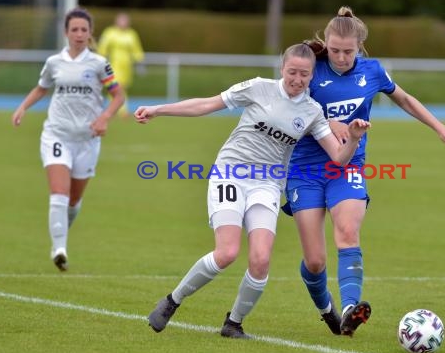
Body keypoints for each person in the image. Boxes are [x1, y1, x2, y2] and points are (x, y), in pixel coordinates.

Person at [134, 43, 370, 338]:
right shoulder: (259, 88)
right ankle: (172, 301)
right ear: (282, 69)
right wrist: (159, 110)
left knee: (260, 259)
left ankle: (233, 323)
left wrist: (353, 138)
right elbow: (207, 104)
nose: (297, 79)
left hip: (268, 183)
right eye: (292, 72)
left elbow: (338, 158)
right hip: (230, 173)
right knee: (227, 252)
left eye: (304, 75)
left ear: (312, 76)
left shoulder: (312, 111)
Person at [282, 6, 445, 337]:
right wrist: (328, 122)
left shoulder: (372, 71)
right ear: (326, 42)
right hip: (306, 170)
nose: (341, 57)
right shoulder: (312, 68)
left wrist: (441, 129)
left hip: (348, 165)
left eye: (348, 51)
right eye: (336, 50)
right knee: (314, 262)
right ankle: (328, 311)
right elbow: (286, 107)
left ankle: (351, 310)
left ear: (361, 46)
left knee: (347, 233)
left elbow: (406, 100)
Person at [12, 8, 125, 271]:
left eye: (84, 30)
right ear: (66, 32)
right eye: (74, 29)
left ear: (90, 33)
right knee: (59, 193)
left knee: (73, 201)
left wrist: (105, 117)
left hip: (86, 141)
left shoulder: (98, 64)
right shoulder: (54, 63)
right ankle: (60, 249)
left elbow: (118, 95)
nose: (79, 34)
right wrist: (22, 107)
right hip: (57, 134)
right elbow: (42, 87)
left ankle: (59, 238)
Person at [97, 12, 144, 118]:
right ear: (116, 21)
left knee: (122, 88)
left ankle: (113, 110)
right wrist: (100, 60)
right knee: (116, 87)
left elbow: (137, 50)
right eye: (121, 20)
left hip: (127, 66)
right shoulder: (110, 32)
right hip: (114, 64)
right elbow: (103, 48)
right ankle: (122, 111)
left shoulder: (132, 34)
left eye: (125, 21)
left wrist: (140, 62)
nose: (123, 23)